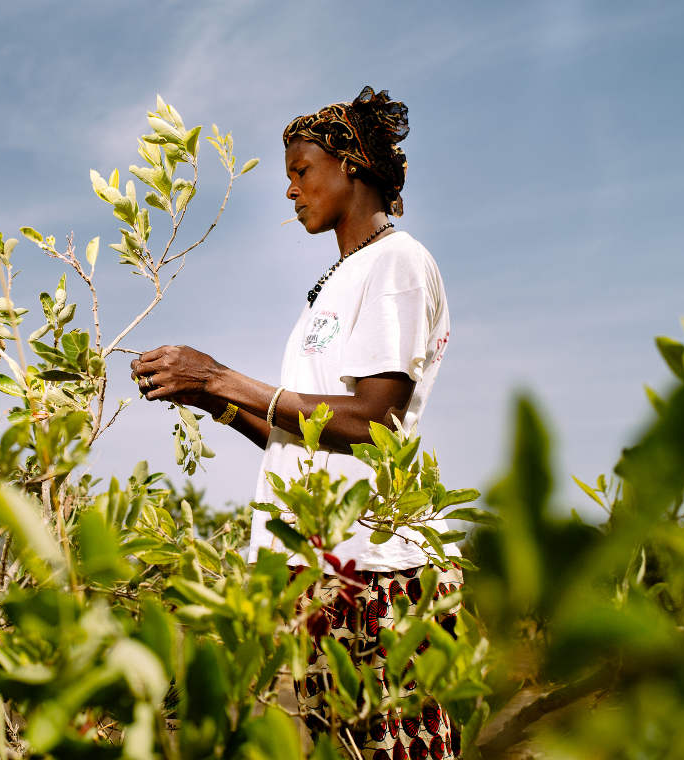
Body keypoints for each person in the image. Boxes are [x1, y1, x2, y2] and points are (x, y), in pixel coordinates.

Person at [130, 86, 460, 758]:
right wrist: (208, 400)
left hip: (376, 567)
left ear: (352, 166)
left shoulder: (395, 262)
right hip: (323, 565)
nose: (290, 192)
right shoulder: (342, 281)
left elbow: (374, 421)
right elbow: (303, 437)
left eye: (301, 172)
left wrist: (220, 375)